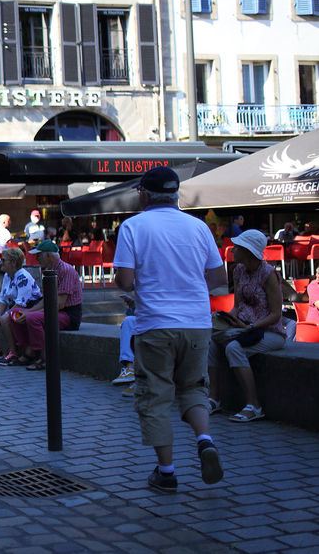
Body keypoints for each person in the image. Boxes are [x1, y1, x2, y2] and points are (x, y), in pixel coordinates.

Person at [113, 166, 225, 493]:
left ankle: (166, 472)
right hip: (197, 323)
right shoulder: (199, 227)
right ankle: (205, 441)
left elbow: (125, 281)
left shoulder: (133, 226)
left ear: (145, 194)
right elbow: (218, 279)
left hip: (155, 323)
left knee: (156, 396)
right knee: (193, 388)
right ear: (175, 194)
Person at [207, 230, 285, 423]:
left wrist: (250, 326)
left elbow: (276, 314)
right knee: (211, 342)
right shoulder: (239, 271)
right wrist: (225, 318)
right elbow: (237, 307)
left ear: (248, 251)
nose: (233, 249)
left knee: (234, 348)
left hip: (269, 331)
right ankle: (214, 398)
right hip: (243, 328)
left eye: (238, 247)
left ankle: (254, 405)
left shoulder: (268, 274)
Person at [5, 240, 82, 370]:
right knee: (16, 313)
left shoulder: (66, 270)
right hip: (56, 310)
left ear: (49, 256)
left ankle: (44, 358)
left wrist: (30, 313)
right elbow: (45, 300)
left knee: (32, 318)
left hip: (68, 314)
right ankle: (27, 351)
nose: (36, 258)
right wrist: (26, 312)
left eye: (39, 255)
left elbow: (59, 304)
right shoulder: (49, 270)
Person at [0, 248, 41, 362]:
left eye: (3, 260)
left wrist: (3, 316)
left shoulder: (23, 277)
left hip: (28, 308)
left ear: (13, 262)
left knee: (4, 319)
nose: (0, 262)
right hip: (16, 307)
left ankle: (14, 353)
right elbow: (3, 299)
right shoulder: (7, 275)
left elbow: (21, 304)